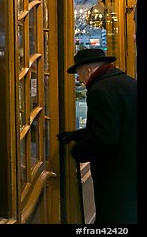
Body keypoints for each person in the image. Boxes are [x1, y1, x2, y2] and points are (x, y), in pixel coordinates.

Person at [58, 48, 137, 224]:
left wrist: (78, 152)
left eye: (78, 74)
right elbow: (118, 123)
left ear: (88, 70)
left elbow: (106, 138)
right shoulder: (128, 83)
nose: (79, 79)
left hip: (117, 175)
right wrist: (77, 134)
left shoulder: (100, 90)